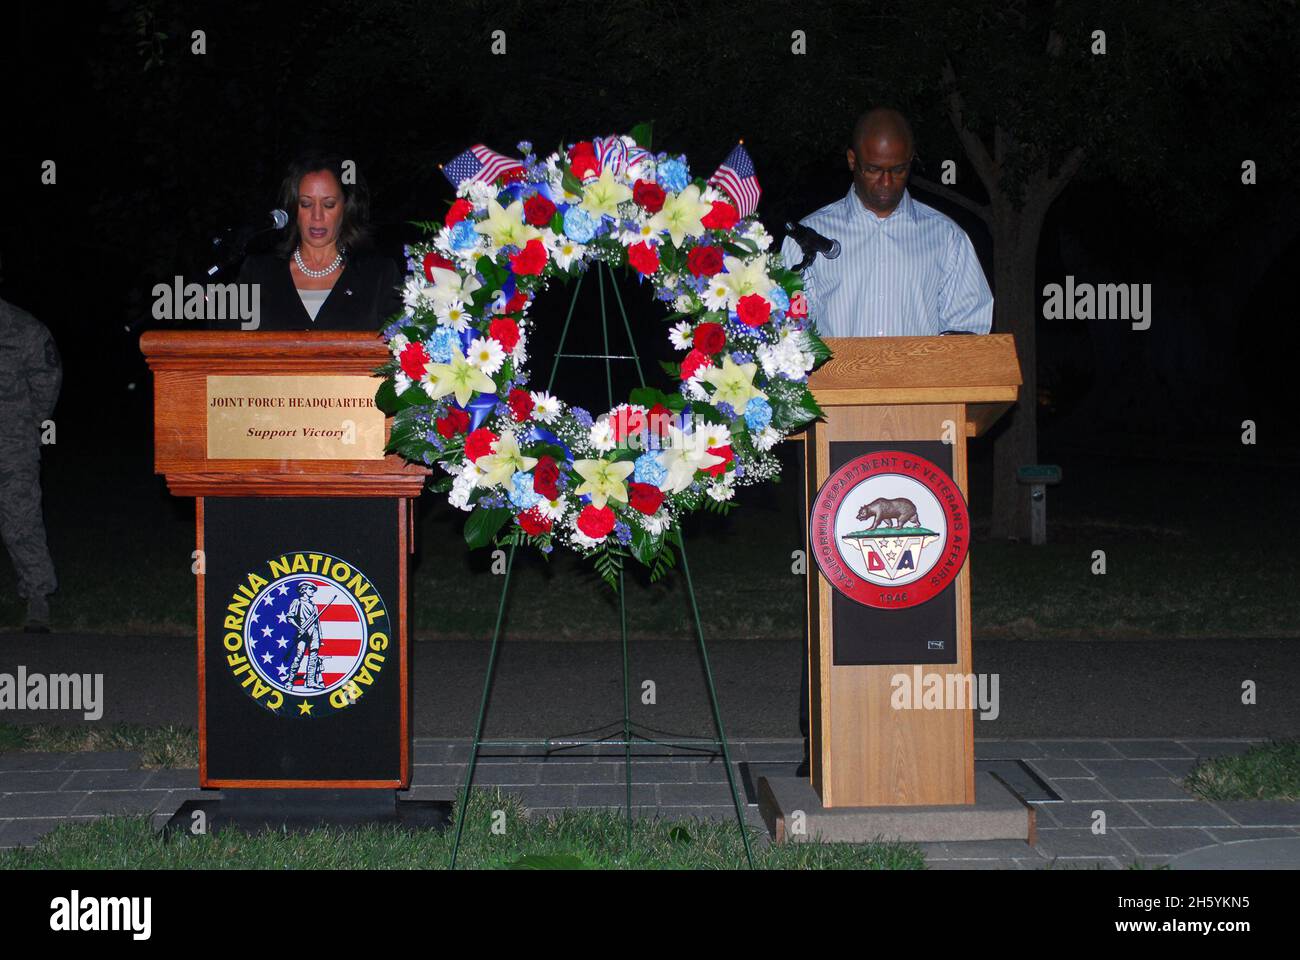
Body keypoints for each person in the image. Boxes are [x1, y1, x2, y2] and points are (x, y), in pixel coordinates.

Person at [781, 108, 994, 775]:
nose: (885, 180)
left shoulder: (946, 238)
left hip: (922, 451)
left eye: (898, 168)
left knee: (919, 589)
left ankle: (924, 748)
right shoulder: (807, 236)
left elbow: (971, 335)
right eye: (873, 167)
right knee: (832, 589)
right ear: (851, 160)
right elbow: (779, 335)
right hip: (830, 447)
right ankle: (825, 743)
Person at [225, 153, 402, 331]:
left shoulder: (379, 276)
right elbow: (223, 344)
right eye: (306, 204)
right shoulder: (258, 273)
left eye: (329, 204)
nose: (317, 216)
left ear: (346, 207)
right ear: (293, 208)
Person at [0, 295, 61, 631]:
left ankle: (37, 598)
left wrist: (30, 423)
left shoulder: (22, 328)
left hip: (12, 444)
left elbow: (48, 379)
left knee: (20, 521)